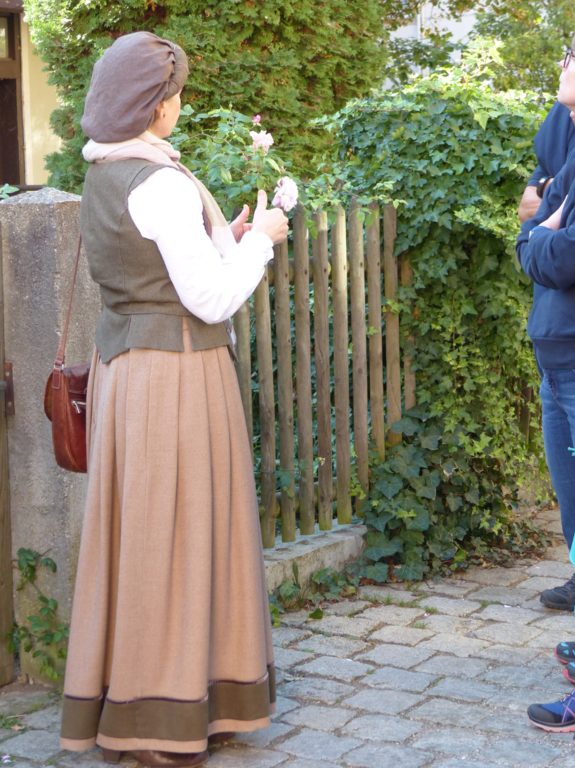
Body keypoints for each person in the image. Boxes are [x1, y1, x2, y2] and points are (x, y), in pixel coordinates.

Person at [59, 32, 288, 767]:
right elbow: (211, 300)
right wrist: (263, 241)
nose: (179, 104)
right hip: (176, 377)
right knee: (179, 536)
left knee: (147, 535)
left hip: (128, 372)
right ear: (155, 105)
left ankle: (162, 699)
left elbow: (164, 270)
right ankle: (163, 721)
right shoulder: (159, 182)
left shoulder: (106, 171)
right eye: (176, 94)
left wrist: (232, 238)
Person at [518, 47, 575, 732]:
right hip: (557, 351)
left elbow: (557, 253)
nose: (565, 60)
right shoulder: (564, 140)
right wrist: (541, 226)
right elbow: (534, 218)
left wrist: (538, 229)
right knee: (574, 515)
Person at [518, 34, 575, 225]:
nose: (561, 63)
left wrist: (548, 187)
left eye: (572, 57)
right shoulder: (564, 110)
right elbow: (527, 209)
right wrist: (550, 186)